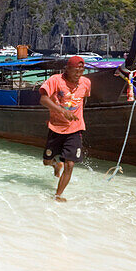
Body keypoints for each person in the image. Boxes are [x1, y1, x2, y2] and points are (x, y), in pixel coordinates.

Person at [39, 55, 91, 202]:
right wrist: (63, 112)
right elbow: (43, 99)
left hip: (75, 128)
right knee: (46, 161)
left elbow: (83, 100)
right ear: (67, 69)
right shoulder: (56, 80)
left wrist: (78, 117)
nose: (78, 75)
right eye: (75, 71)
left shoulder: (86, 83)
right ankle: (56, 164)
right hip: (56, 127)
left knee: (70, 164)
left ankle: (58, 195)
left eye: (81, 71)